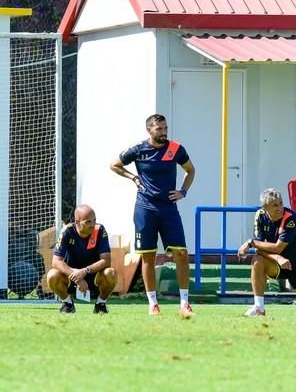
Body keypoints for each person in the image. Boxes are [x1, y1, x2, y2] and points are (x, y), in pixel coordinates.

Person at [110, 114, 196, 316]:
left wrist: (183, 191)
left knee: (181, 254)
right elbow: (114, 165)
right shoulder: (138, 150)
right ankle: (153, 304)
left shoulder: (175, 149)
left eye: (165, 128)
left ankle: (184, 303)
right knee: (148, 257)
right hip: (145, 209)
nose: (164, 132)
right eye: (159, 129)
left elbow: (190, 170)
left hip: (169, 210)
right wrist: (133, 177)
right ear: (149, 129)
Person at [238, 187, 296, 317]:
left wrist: (251, 242)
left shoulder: (291, 218)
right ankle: (259, 308)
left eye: (281, 203)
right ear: (265, 207)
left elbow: (278, 248)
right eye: (274, 205)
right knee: (257, 260)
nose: (279, 208)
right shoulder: (260, 216)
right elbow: (259, 249)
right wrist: (278, 259)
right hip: (279, 264)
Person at [46, 204, 117, 314]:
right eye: (88, 222)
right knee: (52, 275)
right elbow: (56, 261)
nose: (93, 225)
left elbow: (106, 261)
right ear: (77, 222)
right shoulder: (67, 231)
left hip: (93, 276)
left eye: (94, 220)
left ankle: (100, 304)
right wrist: (78, 278)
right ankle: (67, 303)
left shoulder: (99, 230)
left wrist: (84, 271)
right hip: (71, 275)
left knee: (111, 273)